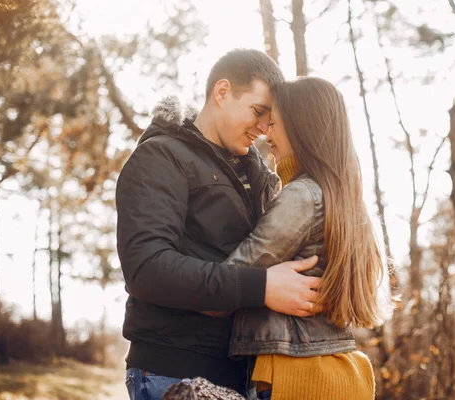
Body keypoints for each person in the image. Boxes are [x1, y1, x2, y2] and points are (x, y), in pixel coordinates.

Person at [115, 49, 321, 400]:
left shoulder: (255, 172)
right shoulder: (162, 156)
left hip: (246, 373)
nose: (262, 129)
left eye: (270, 120)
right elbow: (147, 270)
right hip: (174, 370)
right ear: (222, 92)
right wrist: (262, 287)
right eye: (258, 112)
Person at [206, 76, 388, 400]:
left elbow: (230, 281)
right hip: (341, 371)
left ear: (302, 127)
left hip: (295, 376)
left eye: (274, 124)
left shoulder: (303, 196)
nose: (267, 134)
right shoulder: (343, 199)